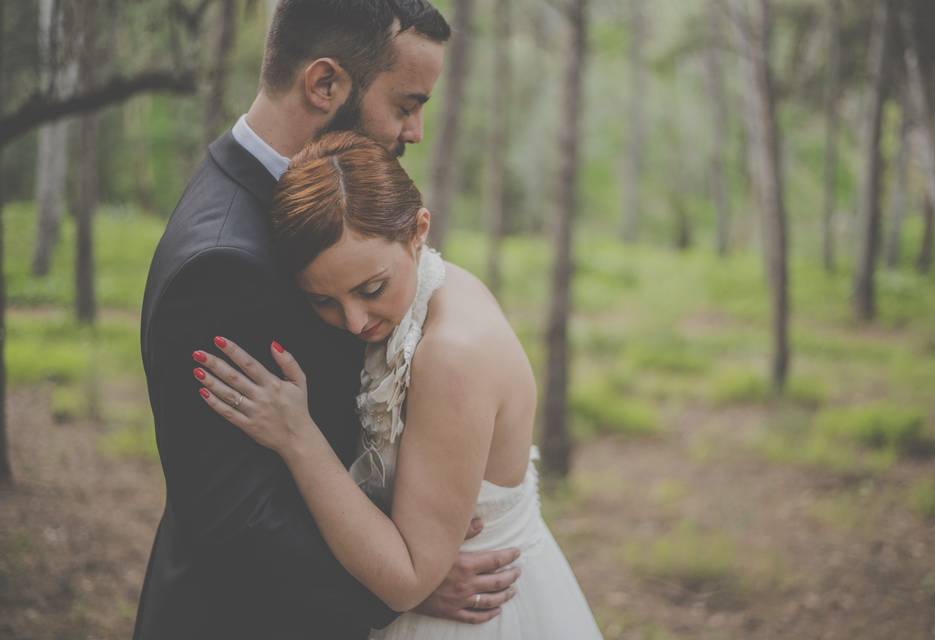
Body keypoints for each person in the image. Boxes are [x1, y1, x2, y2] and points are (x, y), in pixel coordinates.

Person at [135, 2, 521, 638]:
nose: (416, 131)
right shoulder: (225, 260)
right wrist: (400, 586)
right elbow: (236, 516)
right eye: (405, 104)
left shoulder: (308, 208)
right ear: (325, 84)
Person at [190, 132, 603, 638]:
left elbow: (407, 580)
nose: (355, 320)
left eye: (371, 289)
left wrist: (298, 438)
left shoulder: (451, 355)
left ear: (418, 230)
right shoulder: (437, 287)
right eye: (323, 301)